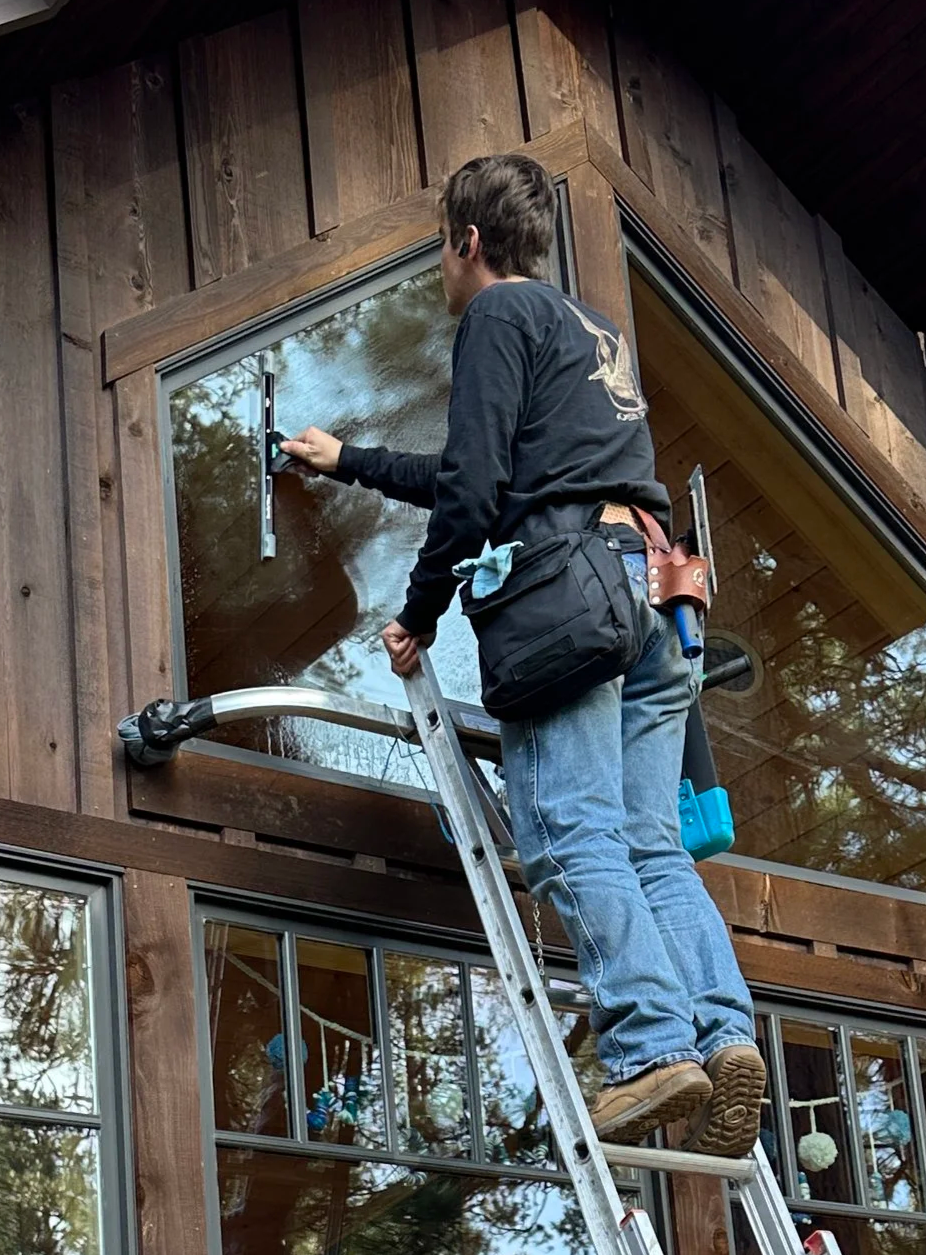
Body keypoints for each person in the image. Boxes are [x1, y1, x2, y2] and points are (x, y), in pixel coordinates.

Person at [282, 151, 766, 1155]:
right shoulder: (590, 332)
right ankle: (721, 1036)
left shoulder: (496, 318)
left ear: (465, 241)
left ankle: (644, 1047)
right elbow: (486, 473)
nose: (441, 273)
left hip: (566, 601)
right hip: (647, 589)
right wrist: (352, 462)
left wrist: (417, 615)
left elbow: (470, 494)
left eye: (439, 252)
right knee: (646, 844)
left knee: (568, 837)